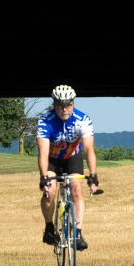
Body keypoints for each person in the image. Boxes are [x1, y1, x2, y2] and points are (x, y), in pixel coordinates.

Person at [36, 85, 99, 251]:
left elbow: (88, 149)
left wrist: (93, 174)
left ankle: (77, 233)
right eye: (60, 105)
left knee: (77, 188)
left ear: (73, 103)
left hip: (72, 158)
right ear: (54, 104)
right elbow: (43, 152)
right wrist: (44, 177)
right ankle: (49, 227)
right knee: (49, 192)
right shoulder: (45, 121)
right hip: (52, 159)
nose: (64, 109)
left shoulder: (82, 119)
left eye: (68, 104)